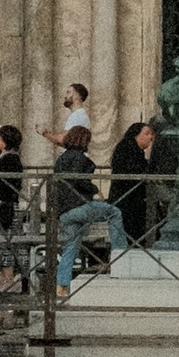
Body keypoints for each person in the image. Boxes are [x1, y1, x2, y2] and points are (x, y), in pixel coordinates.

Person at [51, 119, 118, 293]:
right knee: (114, 212)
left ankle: (62, 285)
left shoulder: (61, 159)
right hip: (79, 207)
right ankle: (120, 254)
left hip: (63, 212)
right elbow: (78, 178)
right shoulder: (80, 158)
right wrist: (95, 190)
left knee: (71, 247)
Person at [109, 113, 175, 250]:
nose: (150, 138)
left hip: (131, 200)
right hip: (127, 200)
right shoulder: (127, 149)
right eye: (146, 134)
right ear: (135, 135)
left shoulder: (132, 149)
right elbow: (135, 171)